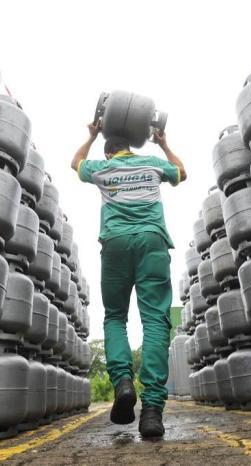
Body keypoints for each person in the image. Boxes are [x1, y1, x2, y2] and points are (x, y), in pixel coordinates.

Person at [71, 122, 187, 438]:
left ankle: (123, 382)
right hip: (152, 242)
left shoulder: (102, 167)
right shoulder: (151, 163)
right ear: (130, 148)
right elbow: (181, 172)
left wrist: (91, 135)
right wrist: (163, 144)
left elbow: (75, 163)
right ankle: (152, 411)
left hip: (116, 245)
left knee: (115, 317)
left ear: (110, 151)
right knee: (154, 321)